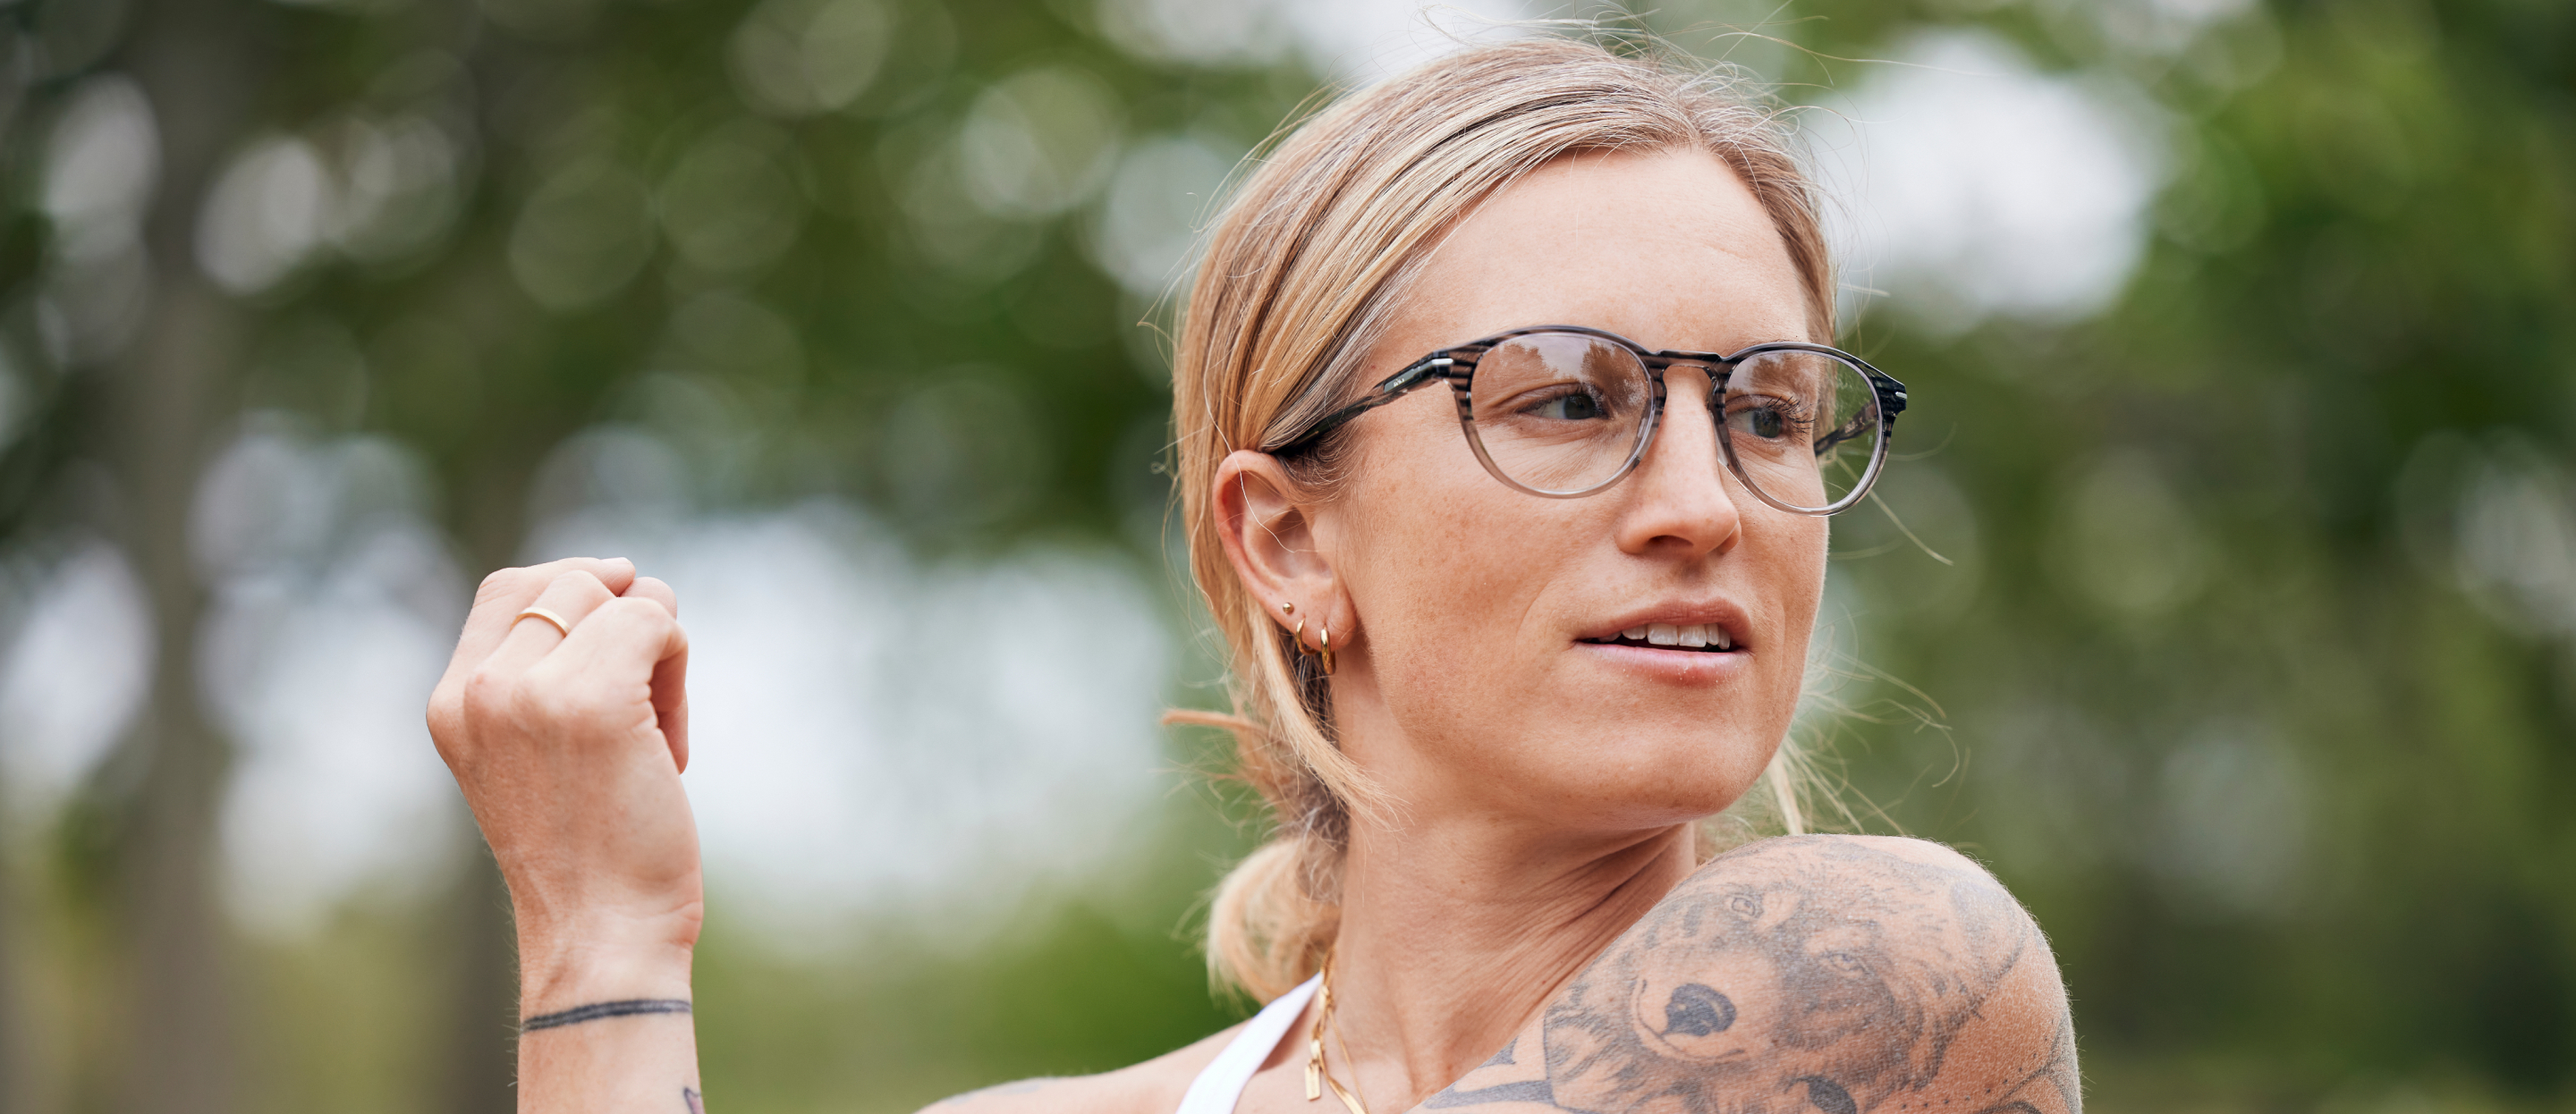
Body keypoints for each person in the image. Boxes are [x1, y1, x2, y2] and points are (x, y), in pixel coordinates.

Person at [427, 37, 2079, 1114]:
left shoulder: (1890, 985)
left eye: (1770, 412)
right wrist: (602, 942)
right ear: (1288, 539)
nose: (1704, 502)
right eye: (1571, 401)